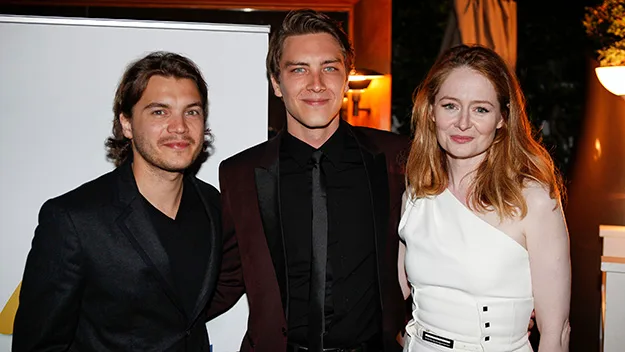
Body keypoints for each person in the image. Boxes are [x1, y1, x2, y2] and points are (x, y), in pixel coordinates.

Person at [208, 9, 410, 352]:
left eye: (329, 68)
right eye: (299, 69)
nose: (316, 84)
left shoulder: (399, 159)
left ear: (347, 78)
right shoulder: (239, 174)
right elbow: (228, 276)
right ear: (276, 82)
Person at [12, 51, 222, 352]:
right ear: (126, 123)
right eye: (159, 112)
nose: (179, 127)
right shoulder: (73, 219)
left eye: (191, 111)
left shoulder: (211, 204)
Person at [398, 44, 571, 351]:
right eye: (450, 105)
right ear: (431, 111)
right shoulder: (416, 192)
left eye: (481, 109)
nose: (463, 122)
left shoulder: (533, 201)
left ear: (503, 118)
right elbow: (397, 295)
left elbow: (555, 333)